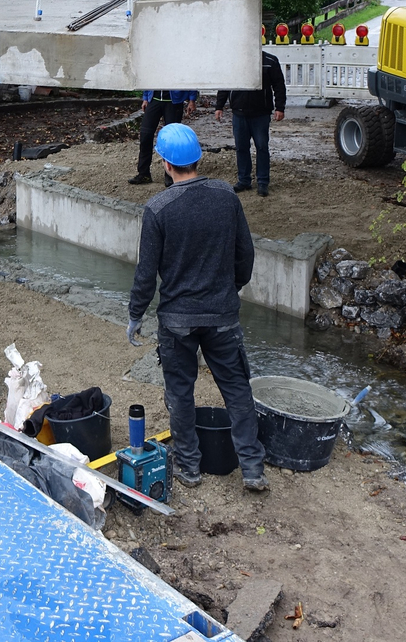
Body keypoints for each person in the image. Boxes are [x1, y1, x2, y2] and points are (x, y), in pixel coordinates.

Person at [126, 122, 269, 493]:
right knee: (237, 389)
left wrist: (135, 314)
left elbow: (147, 271)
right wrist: (231, 288)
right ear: (197, 159)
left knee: (180, 392)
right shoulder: (227, 197)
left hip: (177, 321)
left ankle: (189, 468)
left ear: (165, 163)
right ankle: (253, 469)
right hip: (222, 316)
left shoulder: (158, 208)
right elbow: (245, 255)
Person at [215, 50, 287, 196]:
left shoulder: (269, 61)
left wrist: (280, 107)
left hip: (260, 113)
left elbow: (279, 85)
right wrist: (219, 106)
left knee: (261, 147)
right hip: (239, 113)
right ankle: (244, 180)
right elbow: (225, 84)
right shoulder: (233, 61)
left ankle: (263, 182)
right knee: (241, 147)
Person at [128, 88, 197, 185]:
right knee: (145, 136)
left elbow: (187, 78)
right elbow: (149, 78)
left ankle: (170, 175)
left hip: (173, 102)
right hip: (154, 100)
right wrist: (146, 98)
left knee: (172, 139)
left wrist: (192, 99)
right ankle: (144, 173)